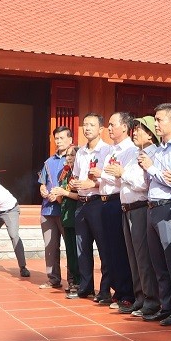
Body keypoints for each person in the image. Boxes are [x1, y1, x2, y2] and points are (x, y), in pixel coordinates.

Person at [137, 104, 171, 326]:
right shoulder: (159, 149)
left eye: (159, 120)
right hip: (153, 206)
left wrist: (150, 168)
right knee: (158, 261)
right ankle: (166, 305)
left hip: (170, 206)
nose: (156, 124)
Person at [114, 116, 159, 316]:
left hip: (140, 208)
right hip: (127, 208)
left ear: (150, 135)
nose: (135, 132)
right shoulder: (135, 154)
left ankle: (150, 299)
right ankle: (140, 297)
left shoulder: (152, 154)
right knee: (133, 257)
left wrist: (123, 173)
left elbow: (143, 184)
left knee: (143, 257)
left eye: (140, 130)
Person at [95, 112, 136, 309]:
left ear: (125, 127)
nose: (109, 128)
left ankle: (127, 292)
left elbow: (123, 178)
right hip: (104, 201)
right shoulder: (111, 150)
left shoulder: (130, 150)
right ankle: (117, 289)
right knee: (109, 250)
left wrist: (102, 174)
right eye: (108, 125)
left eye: (112, 125)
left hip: (117, 200)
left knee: (120, 250)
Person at [68, 113, 110, 301]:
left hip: (98, 202)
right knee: (82, 248)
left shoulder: (107, 151)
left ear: (101, 129)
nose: (87, 128)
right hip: (81, 203)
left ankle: (105, 289)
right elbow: (76, 176)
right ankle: (85, 287)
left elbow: (113, 181)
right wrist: (73, 183)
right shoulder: (80, 152)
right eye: (85, 125)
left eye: (91, 125)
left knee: (104, 247)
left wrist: (92, 185)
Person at [37, 126, 73, 289]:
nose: (58, 141)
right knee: (50, 247)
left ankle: (73, 280)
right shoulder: (48, 162)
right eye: (56, 138)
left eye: (62, 138)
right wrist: (43, 190)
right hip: (47, 210)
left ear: (70, 139)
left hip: (66, 210)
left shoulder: (74, 159)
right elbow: (42, 183)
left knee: (70, 246)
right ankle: (53, 278)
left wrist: (59, 194)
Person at [47, 147, 80, 297]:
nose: (69, 158)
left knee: (79, 252)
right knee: (70, 252)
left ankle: (81, 282)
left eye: (72, 155)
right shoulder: (64, 172)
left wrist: (64, 192)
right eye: (67, 155)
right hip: (65, 215)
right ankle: (73, 281)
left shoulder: (79, 173)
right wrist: (57, 194)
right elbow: (62, 198)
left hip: (77, 215)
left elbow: (81, 195)